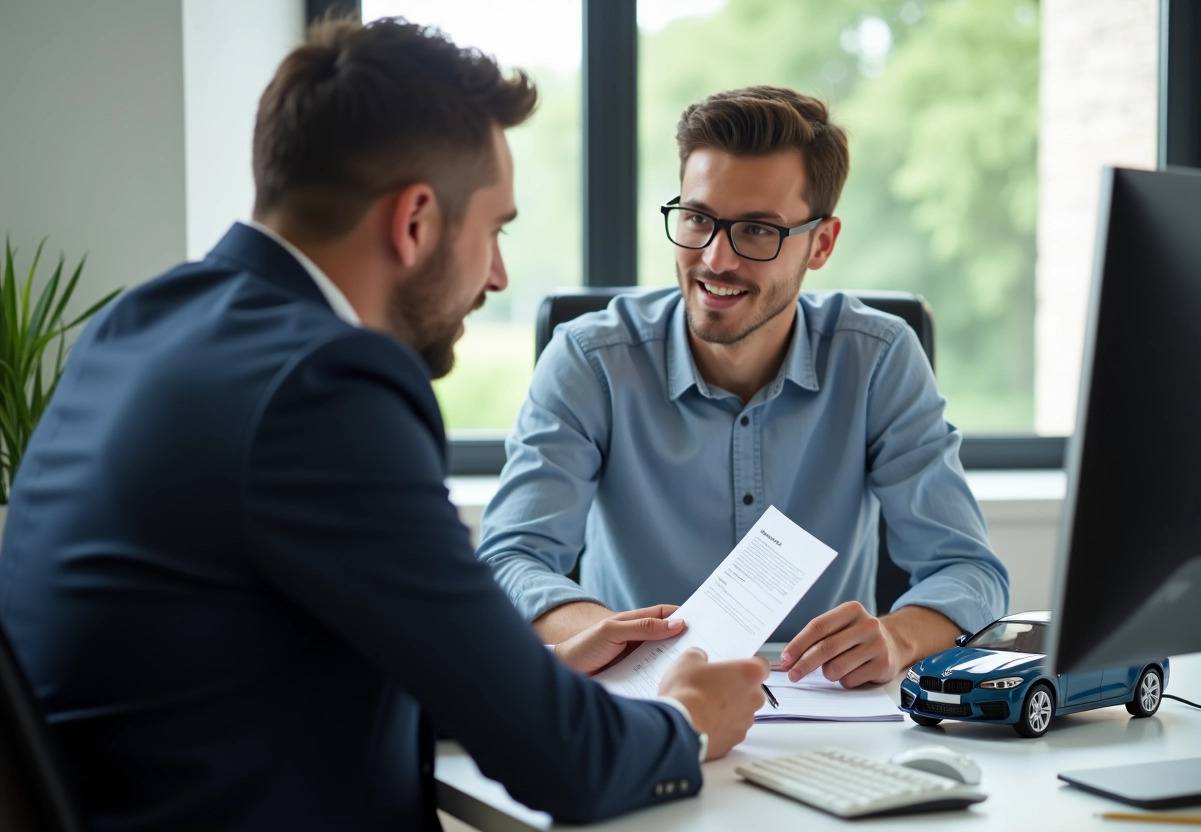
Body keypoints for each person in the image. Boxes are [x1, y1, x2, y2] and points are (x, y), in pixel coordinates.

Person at [0, 18, 769, 831]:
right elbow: (563, 764)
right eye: (496, 229)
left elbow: (240, 672)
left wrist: (536, 673)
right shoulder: (325, 387)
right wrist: (685, 720)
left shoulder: (141, 324)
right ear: (415, 222)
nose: (499, 275)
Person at [477, 85, 1010, 688]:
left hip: (828, 717)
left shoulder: (878, 358)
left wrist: (896, 636)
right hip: (642, 702)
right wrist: (615, 638)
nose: (715, 259)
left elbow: (969, 572)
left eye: (757, 231)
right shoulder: (590, 359)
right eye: (699, 219)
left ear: (822, 243)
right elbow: (509, 560)